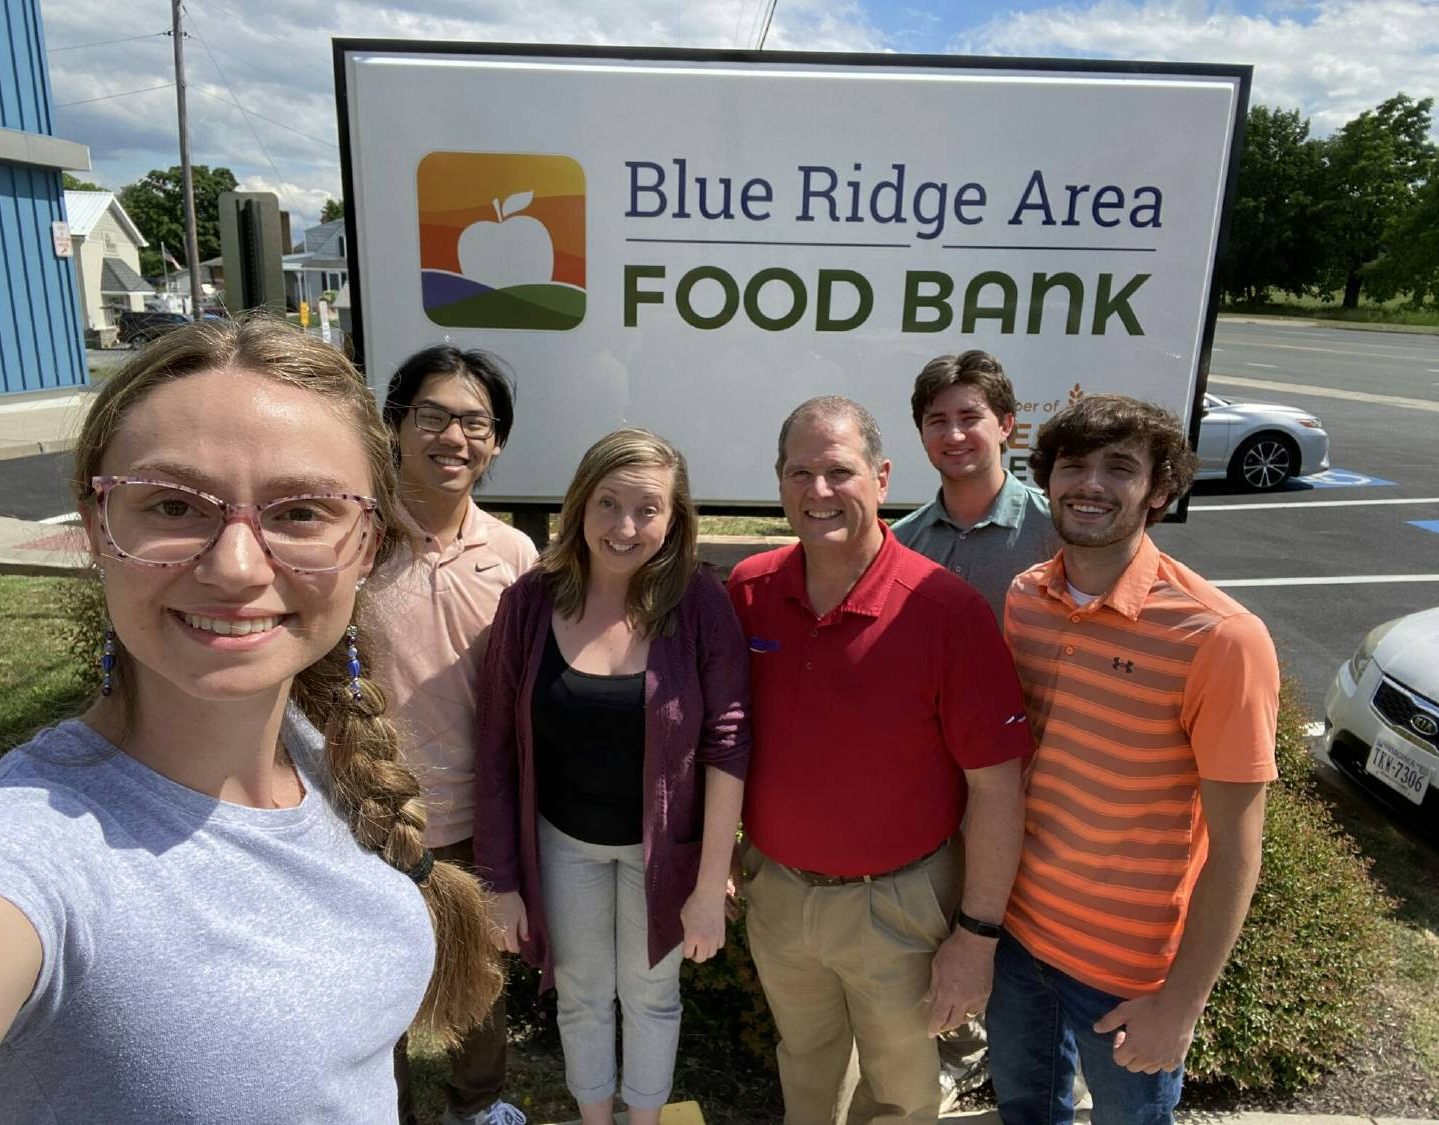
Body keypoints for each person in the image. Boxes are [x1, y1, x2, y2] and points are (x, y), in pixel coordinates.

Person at [0, 317, 500, 1123]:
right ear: (98, 526)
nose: (236, 565)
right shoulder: (21, 858)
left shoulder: (315, 753)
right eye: (172, 504)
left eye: (301, 512)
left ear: (367, 542)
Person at [725, 396, 1032, 1125]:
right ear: (778, 481)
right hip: (779, 893)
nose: (819, 491)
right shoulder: (750, 590)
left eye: (840, 471)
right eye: (801, 472)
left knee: (902, 1090)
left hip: (898, 904)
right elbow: (722, 738)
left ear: (883, 477)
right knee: (805, 1064)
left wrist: (977, 935)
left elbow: (997, 788)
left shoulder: (946, 611)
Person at [990, 394, 1279, 1125]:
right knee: (1027, 1112)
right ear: (1045, 478)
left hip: (1130, 976)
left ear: (1159, 489)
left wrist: (1182, 1001)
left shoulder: (1220, 637)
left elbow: (1238, 850)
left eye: (1119, 467)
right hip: (1017, 939)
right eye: (1073, 464)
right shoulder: (1026, 597)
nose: (1090, 483)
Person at [474, 429, 750, 1125]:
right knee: (582, 992)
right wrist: (499, 880)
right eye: (608, 504)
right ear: (579, 504)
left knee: (653, 995)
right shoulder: (531, 602)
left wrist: (712, 882)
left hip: (663, 853)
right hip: (563, 843)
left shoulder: (698, 603)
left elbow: (729, 743)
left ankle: (646, 1120)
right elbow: (498, 749)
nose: (625, 527)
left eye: (648, 509)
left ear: (675, 518)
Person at [369, 345, 537, 1125]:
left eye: (475, 422)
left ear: (496, 441)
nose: (454, 437)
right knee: (375, 992)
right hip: (363, 813)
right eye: (432, 417)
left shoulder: (513, 556)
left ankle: (479, 1107)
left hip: (479, 818)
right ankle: (384, 1110)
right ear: (397, 425)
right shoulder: (354, 540)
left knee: (478, 982)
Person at [891, 350, 1060, 622]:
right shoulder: (901, 541)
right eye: (938, 421)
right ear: (921, 432)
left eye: (969, 418)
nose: (954, 435)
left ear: (1005, 425)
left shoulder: (1055, 527)